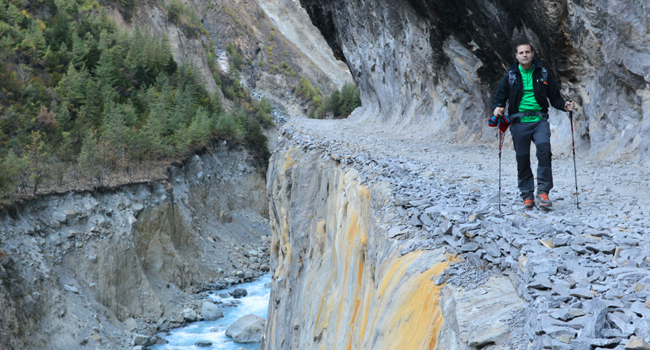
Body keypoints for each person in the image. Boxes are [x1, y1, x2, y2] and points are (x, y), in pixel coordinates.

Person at [492, 42, 575, 209]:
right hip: (519, 122)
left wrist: (565, 105)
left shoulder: (543, 74)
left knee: (544, 151)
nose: (524, 55)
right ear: (516, 56)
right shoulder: (511, 76)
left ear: (532, 54)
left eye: (527, 52)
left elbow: (555, 98)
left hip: (539, 121)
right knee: (522, 157)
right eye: (521, 52)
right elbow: (499, 98)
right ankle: (527, 194)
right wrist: (498, 108)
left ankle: (543, 192)